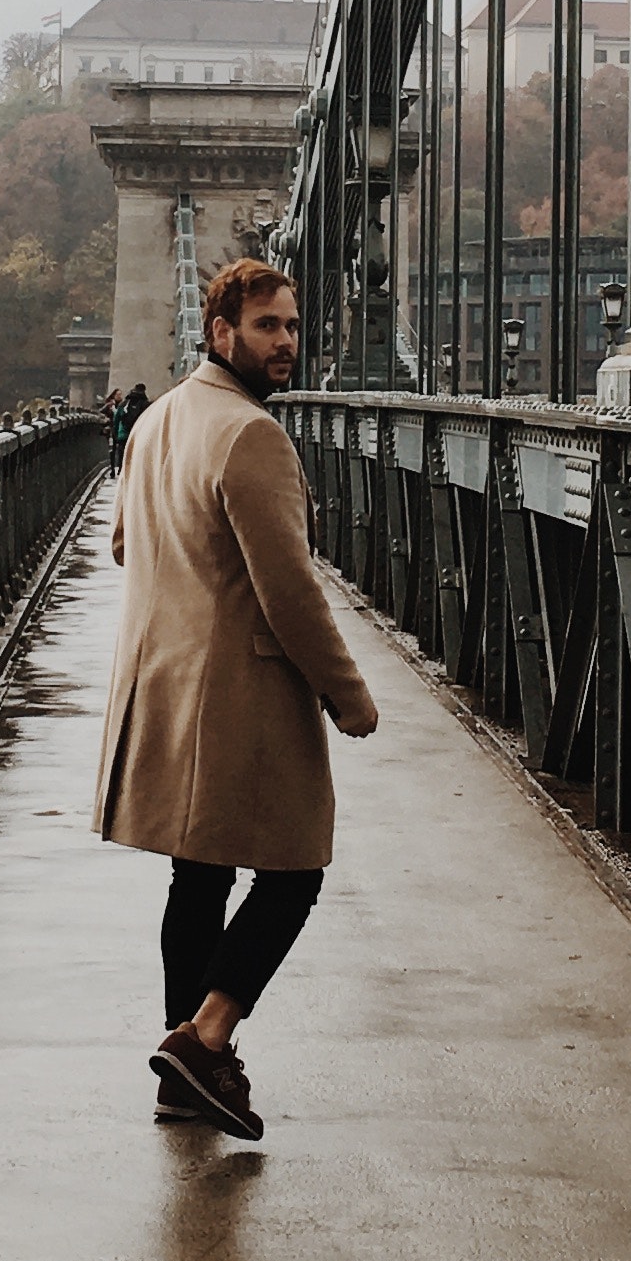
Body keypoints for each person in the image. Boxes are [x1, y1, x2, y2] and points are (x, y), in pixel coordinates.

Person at [93, 259, 375, 1138]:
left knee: (199, 874)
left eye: (292, 326)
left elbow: (121, 547)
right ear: (220, 333)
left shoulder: (156, 421)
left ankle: (187, 1065)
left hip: (168, 682)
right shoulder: (253, 436)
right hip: (240, 694)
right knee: (295, 872)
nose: (285, 342)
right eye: (266, 327)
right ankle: (208, 1036)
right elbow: (289, 588)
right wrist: (346, 692)